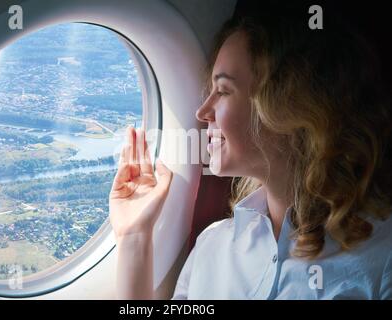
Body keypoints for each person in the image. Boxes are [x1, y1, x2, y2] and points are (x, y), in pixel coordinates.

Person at [109, 3, 392, 299]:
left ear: (290, 106)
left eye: (224, 91)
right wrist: (134, 237)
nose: (203, 112)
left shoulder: (381, 263)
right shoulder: (213, 246)